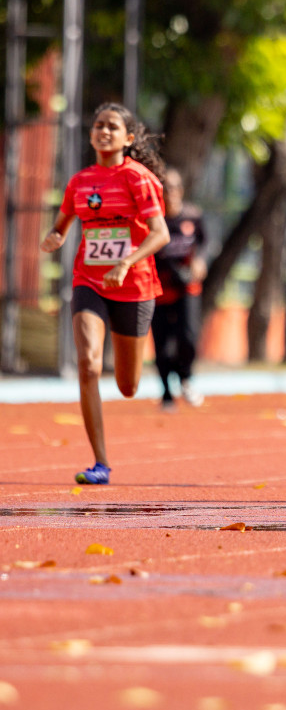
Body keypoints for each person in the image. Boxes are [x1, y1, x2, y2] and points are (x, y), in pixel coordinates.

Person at [40, 103, 170, 485]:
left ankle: (127, 381)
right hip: (90, 281)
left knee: (127, 386)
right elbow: (62, 224)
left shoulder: (138, 179)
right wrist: (55, 237)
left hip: (134, 285)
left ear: (128, 138)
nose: (103, 131)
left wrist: (125, 262)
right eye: (98, 125)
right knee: (89, 364)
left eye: (113, 126)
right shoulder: (80, 182)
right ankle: (100, 462)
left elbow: (160, 233)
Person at [150, 167, 207, 410]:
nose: (170, 193)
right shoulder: (154, 220)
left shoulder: (193, 216)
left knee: (188, 337)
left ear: (181, 190)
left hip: (188, 289)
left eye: (174, 187)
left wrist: (199, 261)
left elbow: (204, 242)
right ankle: (166, 392)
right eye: (165, 189)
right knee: (162, 344)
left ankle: (185, 376)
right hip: (159, 289)